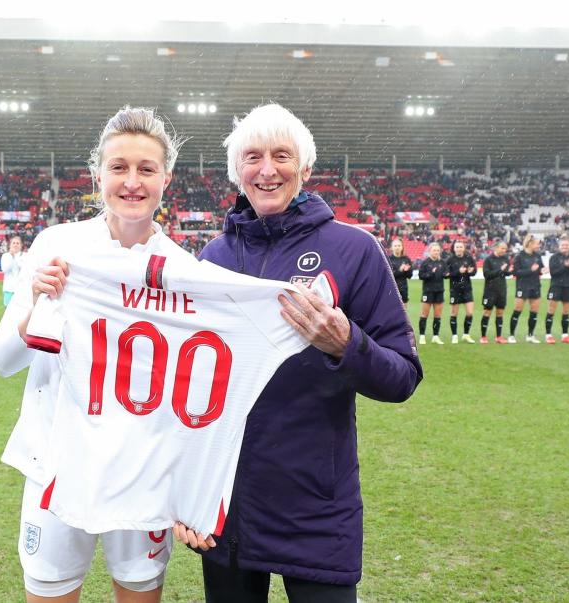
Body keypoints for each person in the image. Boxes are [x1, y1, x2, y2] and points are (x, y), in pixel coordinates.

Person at [174, 103, 422, 603]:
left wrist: (346, 344)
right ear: (236, 171)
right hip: (229, 509)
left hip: (316, 507)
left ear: (305, 169)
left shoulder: (353, 250)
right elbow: (187, 386)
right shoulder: (211, 261)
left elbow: (403, 377)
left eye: (281, 155)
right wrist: (188, 492)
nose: (267, 170)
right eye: (253, 157)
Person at [0, 106, 191, 603]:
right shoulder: (56, 245)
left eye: (146, 169)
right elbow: (2, 361)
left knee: (140, 590)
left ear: (166, 178)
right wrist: (35, 301)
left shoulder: (184, 270)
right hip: (57, 463)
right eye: (118, 167)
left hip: (142, 467)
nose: (131, 182)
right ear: (97, 173)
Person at [508, 234, 544, 344]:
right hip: (522, 286)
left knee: (534, 311)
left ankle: (530, 335)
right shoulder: (519, 256)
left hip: (535, 285)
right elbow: (515, 272)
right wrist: (530, 270)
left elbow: (539, 269)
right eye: (537, 244)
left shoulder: (538, 256)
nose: (539, 246)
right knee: (517, 310)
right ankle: (511, 335)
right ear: (530, 243)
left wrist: (543, 271)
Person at [545, 234, 569, 344]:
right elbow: (553, 273)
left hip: (567, 286)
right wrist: (565, 266)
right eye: (562, 245)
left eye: (566, 245)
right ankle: (548, 335)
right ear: (559, 246)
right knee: (551, 310)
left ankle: (565, 335)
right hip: (555, 286)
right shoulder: (554, 257)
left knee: (566, 312)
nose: (564, 247)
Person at [445, 240, 476, 344]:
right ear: (454, 248)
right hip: (455, 289)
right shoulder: (450, 260)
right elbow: (446, 274)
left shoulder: (469, 258)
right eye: (457, 247)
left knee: (470, 313)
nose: (459, 249)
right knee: (454, 313)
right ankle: (454, 335)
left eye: (460, 247)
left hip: (467, 288)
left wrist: (471, 272)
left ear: (464, 248)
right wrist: (458, 272)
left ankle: (466, 334)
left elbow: (474, 271)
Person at [480, 240, 511, 344]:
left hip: (501, 290)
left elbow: (505, 273)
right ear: (496, 248)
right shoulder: (488, 260)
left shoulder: (505, 259)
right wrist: (500, 270)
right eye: (502, 248)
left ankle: (498, 336)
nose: (504, 251)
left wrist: (509, 271)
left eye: (505, 249)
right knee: (487, 312)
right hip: (490, 290)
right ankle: (483, 336)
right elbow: (486, 274)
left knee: (500, 313)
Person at [417, 242, 447, 345]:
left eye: (438, 250)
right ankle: (422, 336)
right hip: (428, 291)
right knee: (424, 314)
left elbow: (445, 274)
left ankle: (435, 336)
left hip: (439, 291)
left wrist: (446, 274)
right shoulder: (425, 263)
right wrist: (431, 273)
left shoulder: (442, 263)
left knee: (437, 315)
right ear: (430, 251)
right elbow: (421, 276)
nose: (436, 252)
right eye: (434, 250)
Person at [387, 238, 413, 308]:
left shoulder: (406, 259)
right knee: (391, 310)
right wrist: (400, 270)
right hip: (392, 288)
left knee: (403, 312)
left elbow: (410, 276)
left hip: (403, 288)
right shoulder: (388, 259)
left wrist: (407, 270)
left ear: (402, 247)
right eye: (395, 246)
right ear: (392, 248)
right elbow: (388, 275)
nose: (397, 247)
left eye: (399, 246)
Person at [1, 235, 24, 307]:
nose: (15, 245)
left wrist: (15, 257)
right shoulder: (5, 256)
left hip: (21, 289)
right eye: (13, 243)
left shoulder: (24, 256)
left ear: (21, 245)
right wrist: (11, 257)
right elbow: (5, 269)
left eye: (17, 243)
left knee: (21, 310)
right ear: (10, 245)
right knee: (8, 311)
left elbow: (24, 268)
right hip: (8, 288)